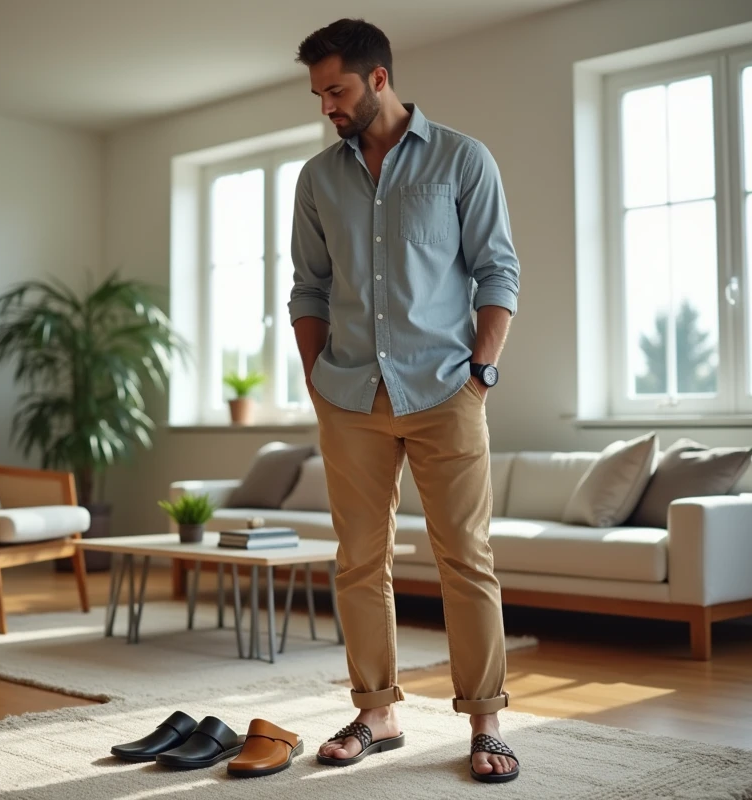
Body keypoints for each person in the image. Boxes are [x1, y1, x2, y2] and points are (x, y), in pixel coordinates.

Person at [288, 18, 522, 783]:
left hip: (445, 389)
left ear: (378, 79)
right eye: (319, 91)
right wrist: (320, 380)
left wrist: (480, 373)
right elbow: (310, 288)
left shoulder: (463, 159)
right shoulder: (318, 179)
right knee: (359, 561)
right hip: (350, 393)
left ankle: (486, 722)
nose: (327, 104)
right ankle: (377, 712)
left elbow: (497, 273)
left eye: (337, 89)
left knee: (467, 560)